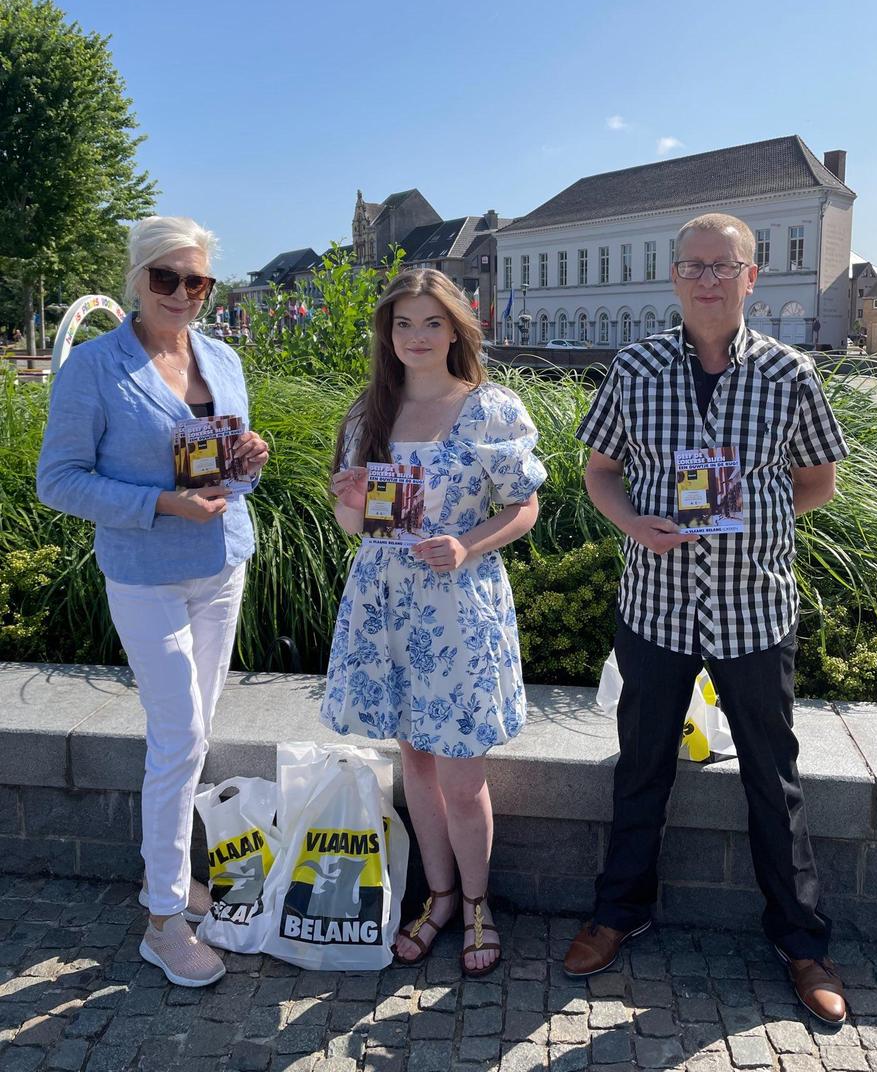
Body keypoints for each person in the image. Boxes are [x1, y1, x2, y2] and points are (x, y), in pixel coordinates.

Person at [563, 213, 850, 1026]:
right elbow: (600, 472)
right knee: (641, 765)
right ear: (675, 277)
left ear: (752, 277)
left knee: (773, 778)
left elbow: (819, 481)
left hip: (754, 606)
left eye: (725, 266)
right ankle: (619, 912)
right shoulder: (636, 366)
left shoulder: (790, 373)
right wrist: (632, 524)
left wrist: (760, 521)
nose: (709, 279)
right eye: (694, 265)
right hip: (655, 605)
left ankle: (800, 940)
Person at [36, 216, 269, 988]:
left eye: (195, 281)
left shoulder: (223, 357)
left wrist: (249, 460)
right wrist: (163, 504)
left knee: (194, 736)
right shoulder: (95, 369)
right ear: (136, 278)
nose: (181, 293)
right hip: (144, 572)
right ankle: (164, 921)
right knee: (178, 737)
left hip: (220, 564)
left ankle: (167, 885)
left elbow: (229, 470)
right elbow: (59, 480)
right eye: (165, 277)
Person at [323, 268, 545, 977]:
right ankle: (440, 895)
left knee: (460, 772)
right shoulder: (370, 413)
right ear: (387, 335)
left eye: (430, 322)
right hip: (384, 600)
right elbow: (354, 526)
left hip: (456, 604)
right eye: (402, 324)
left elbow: (525, 507)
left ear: (455, 328)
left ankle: (479, 903)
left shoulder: (489, 409)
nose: (416, 337)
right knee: (413, 760)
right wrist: (350, 499)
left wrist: (467, 544)